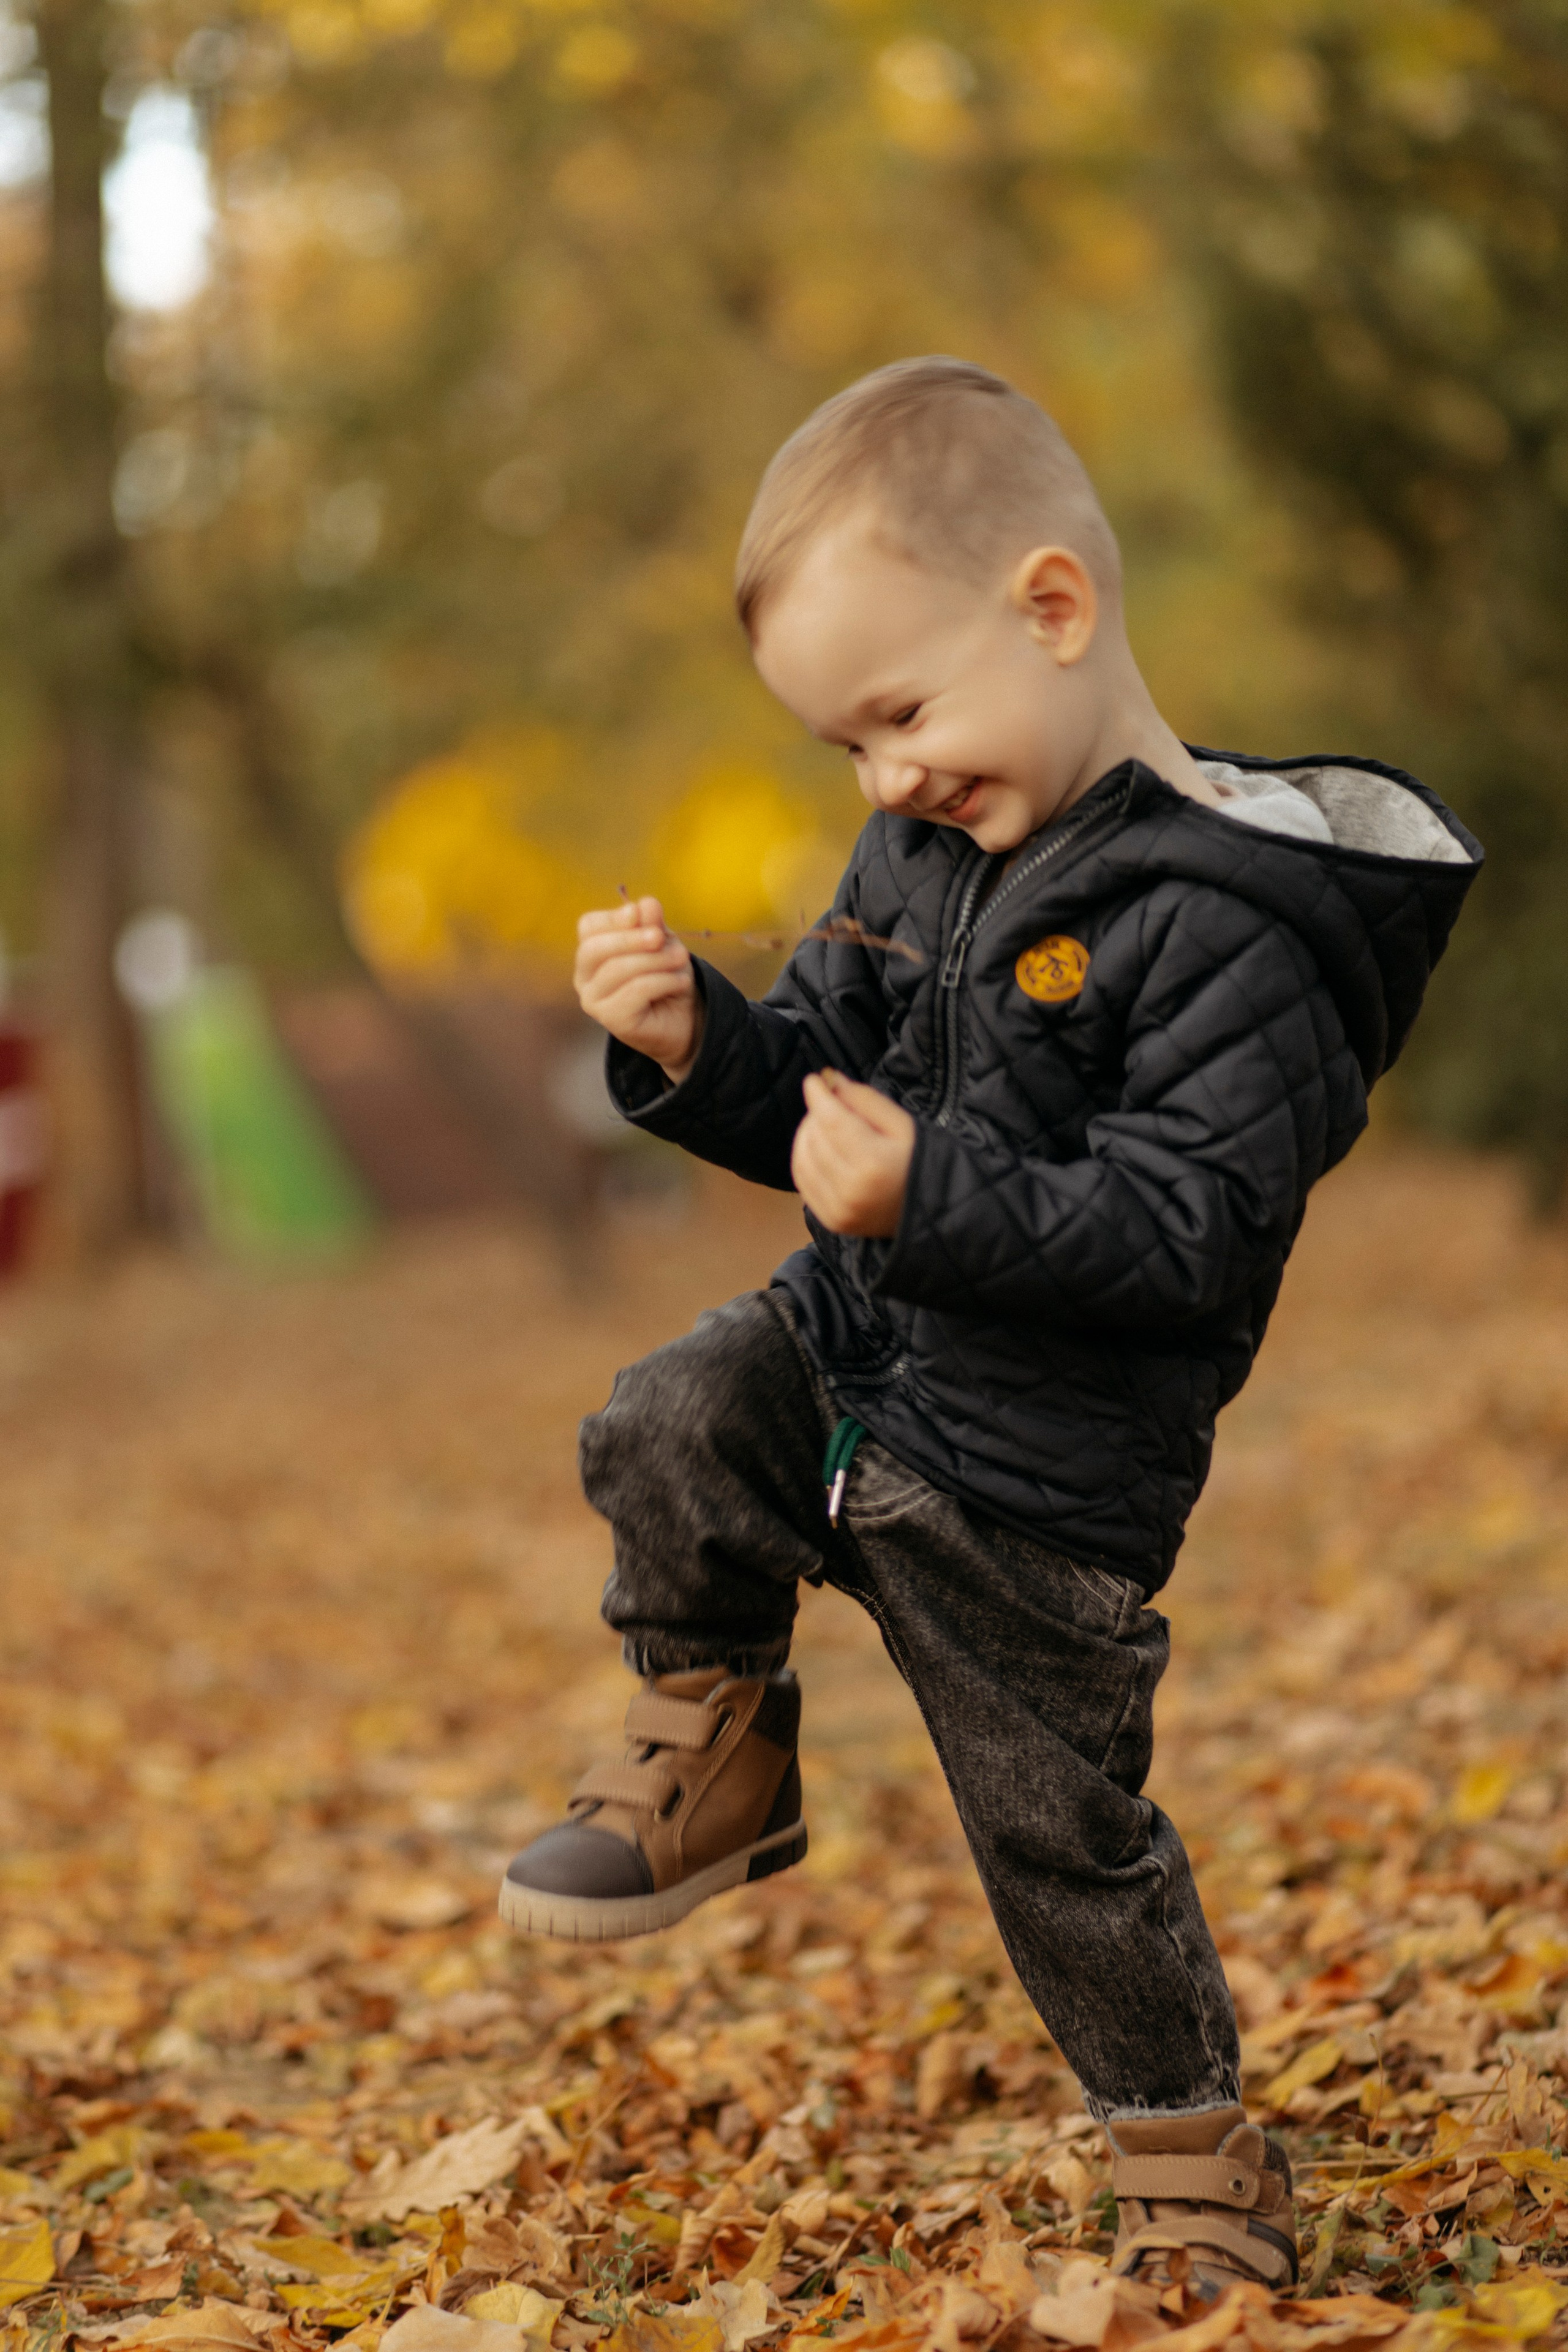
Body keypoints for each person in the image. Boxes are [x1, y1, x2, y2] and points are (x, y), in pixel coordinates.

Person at [499, 358, 1481, 2295]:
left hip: (1044, 1482)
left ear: (1052, 609)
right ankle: (716, 1742)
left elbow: (1189, 1232)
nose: (883, 783)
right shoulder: (922, 861)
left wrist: (928, 1198)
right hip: (854, 1350)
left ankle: (1194, 2169)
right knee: (673, 1418)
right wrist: (701, 1045)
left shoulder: (1235, 927)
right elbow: (828, 1094)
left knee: (1061, 1841)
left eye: (901, 717)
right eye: (843, 750)